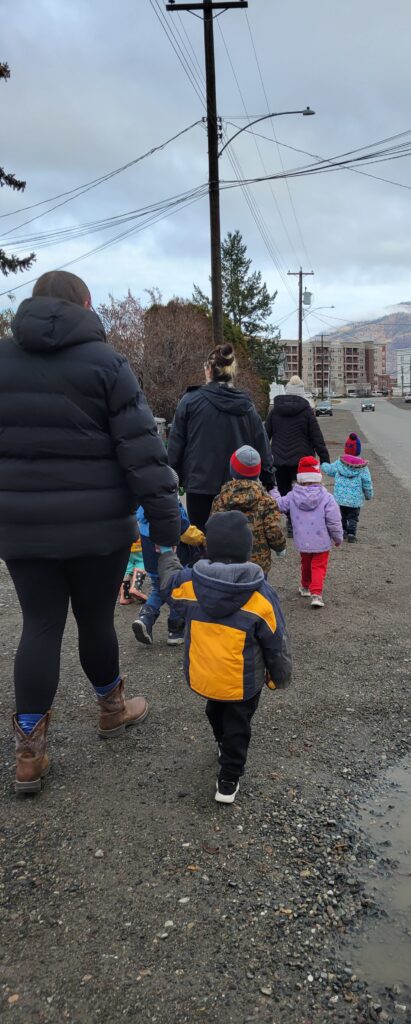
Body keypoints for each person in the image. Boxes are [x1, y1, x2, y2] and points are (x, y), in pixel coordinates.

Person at [0, 270, 181, 794]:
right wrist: (167, 527)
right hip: (99, 529)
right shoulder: (107, 363)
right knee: (95, 619)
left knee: (39, 624)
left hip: (23, 528)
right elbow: (143, 452)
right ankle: (111, 710)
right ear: (85, 304)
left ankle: (29, 753)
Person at [158, 511, 292, 804]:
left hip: (206, 674)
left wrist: (167, 553)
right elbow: (275, 640)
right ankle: (229, 778)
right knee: (238, 725)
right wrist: (280, 675)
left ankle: (222, 743)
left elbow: (168, 584)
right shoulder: (261, 594)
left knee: (215, 711)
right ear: (247, 550)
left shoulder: (190, 584)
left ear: (209, 548)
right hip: (243, 682)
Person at [167, 343, 275, 532]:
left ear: (208, 370)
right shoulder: (246, 405)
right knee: (235, 538)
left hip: (199, 485)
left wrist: (171, 478)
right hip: (239, 487)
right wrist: (269, 480)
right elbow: (261, 443)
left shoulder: (190, 401)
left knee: (200, 538)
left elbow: (176, 444)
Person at [271, 456, 343, 608]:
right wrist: (338, 538)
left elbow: (279, 505)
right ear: (318, 477)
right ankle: (316, 594)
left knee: (306, 563)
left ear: (300, 478)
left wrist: (273, 489)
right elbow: (334, 521)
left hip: (302, 540)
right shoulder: (327, 498)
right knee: (318, 566)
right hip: (322, 540)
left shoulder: (292, 495)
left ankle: (305, 587)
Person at [132, 503, 205, 646]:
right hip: (174, 561)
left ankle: (145, 619)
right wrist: (202, 539)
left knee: (158, 589)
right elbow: (185, 532)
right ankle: (175, 632)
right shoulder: (168, 506)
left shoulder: (143, 507)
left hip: (152, 561)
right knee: (178, 591)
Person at [210, 445, 286, 576]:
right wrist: (280, 547)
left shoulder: (221, 499)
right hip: (257, 565)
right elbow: (272, 528)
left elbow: (214, 527)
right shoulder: (267, 500)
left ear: (232, 470)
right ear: (257, 472)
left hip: (226, 561)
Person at [265, 375, 330, 497]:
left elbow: (265, 436)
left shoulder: (274, 411)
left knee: (284, 496)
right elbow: (316, 437)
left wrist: (263, 459)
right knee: (303, 496)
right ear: (302, 393)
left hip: (278, 462)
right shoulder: (307, 412)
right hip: (302, 462)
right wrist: (324, 459)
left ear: (287, 391)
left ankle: (287, 509)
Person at [321, 449, 374, 543]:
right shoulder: (363, 467)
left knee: (341, 516)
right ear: (358, 450)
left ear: (346, 450)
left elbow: (330, 470)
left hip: (340, 498)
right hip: (355, 500)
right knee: (353, 517)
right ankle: (351, 534)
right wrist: (368, 495)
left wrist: (323, 464)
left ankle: (343, 531)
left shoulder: (340, 463)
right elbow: (367, 483)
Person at [119, 538, 147, 605]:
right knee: (142, 562)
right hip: (140, 545)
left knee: (127, 567)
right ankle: (135, 588)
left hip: (125, 545)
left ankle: (125, 596)